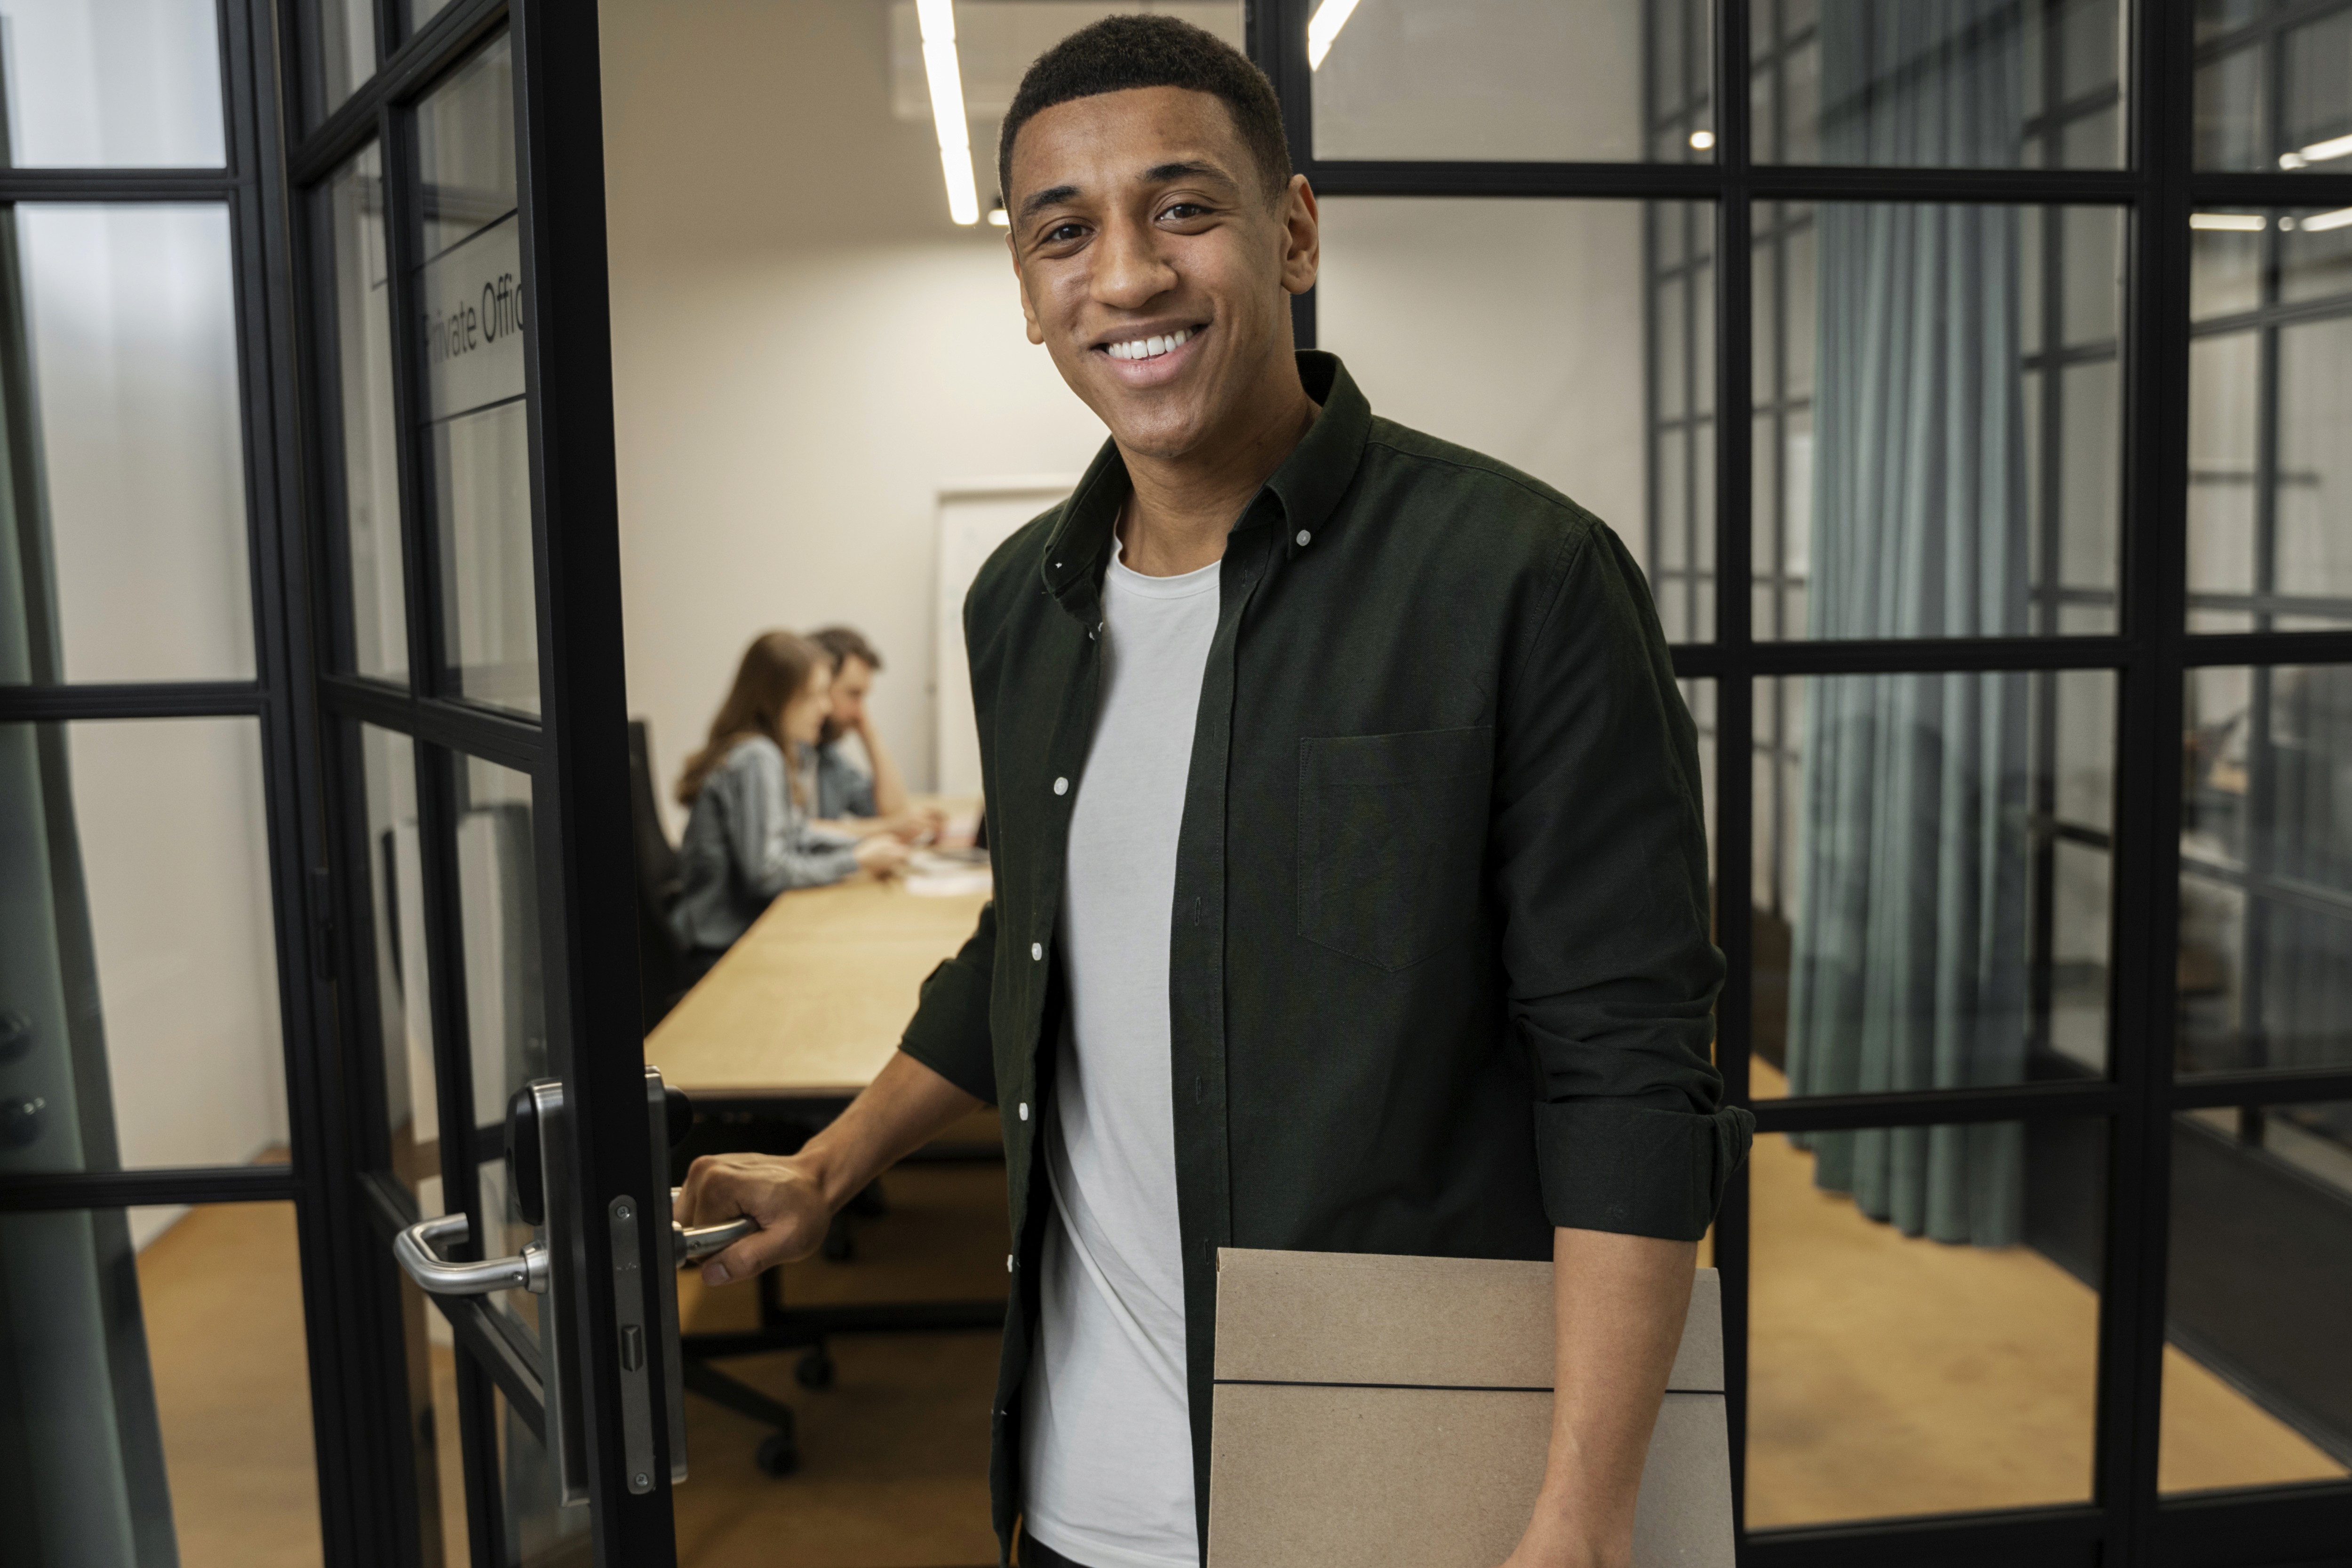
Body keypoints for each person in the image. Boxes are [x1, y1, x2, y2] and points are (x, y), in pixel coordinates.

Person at [679, 18, 1752, 1568]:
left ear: (1291, 232)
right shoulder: (1019, 602)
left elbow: (1626, 1073)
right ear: (1027, 292)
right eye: (1063, 232)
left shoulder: (1521, 577)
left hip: (1394, 1477)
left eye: (1180, 209)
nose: (1124, 275)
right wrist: (827, 1163)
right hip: (1074, 1491)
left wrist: (1582, 1518)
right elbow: (1027, 948)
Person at [669, 631, 909, 981]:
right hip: (720, 950)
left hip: (736, 937)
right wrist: (856, 860)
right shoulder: (757, 758)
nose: (825, 708)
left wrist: (864, 847)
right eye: (813, 696)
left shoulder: (769, 752)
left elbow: (796, 832)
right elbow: (768, 873)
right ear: (776, 699)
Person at [804, 625, 945, 842]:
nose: (860, 711)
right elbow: (796, 833)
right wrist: (888, 826)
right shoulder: (775, 752)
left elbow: (895, 814)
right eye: (853, 694)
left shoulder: (827, 757)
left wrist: (868, 732)